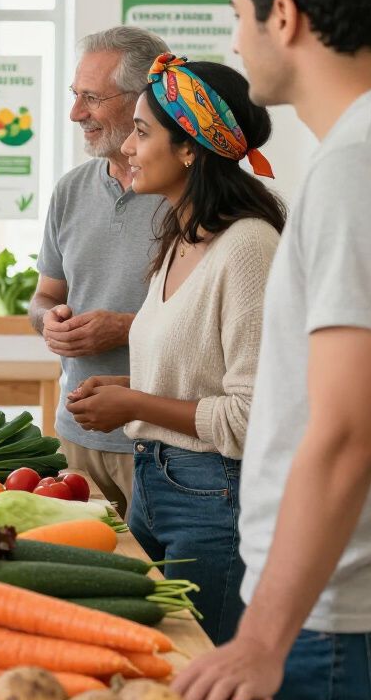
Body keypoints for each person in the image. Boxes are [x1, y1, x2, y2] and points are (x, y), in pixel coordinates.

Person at [170, 0, 371, 700]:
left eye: (239, 15)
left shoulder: (350, 168)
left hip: (331, 620)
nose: (239, 39)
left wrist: (263, 636)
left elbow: (343, 429)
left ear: (283, 16)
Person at [67, 54, 284, 645]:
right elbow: (195, 376)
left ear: (189, 148)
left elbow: (249, 415)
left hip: (215, 499)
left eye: (141, 132)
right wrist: (128, 394)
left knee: (197, 671)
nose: (129, 149)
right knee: (164, 659)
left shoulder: (247, 248)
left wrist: (135, 403)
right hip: (158, 483)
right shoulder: (180, 237)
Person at [30, 26, 169, 515]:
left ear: (140, 101)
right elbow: (45, 295)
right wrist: (50, 320)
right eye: (75, 95)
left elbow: (212, 333)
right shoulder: (71, 190)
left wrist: (124, 329)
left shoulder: (186, 194)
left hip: (158, 447)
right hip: (76, 440)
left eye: (91, 98)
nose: (75, 114)